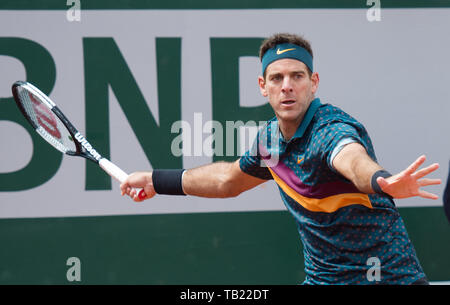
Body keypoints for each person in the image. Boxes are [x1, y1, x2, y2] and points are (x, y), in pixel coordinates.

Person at [120, 33, 441, 285]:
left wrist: (378, 179)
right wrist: (154, 180)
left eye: (297, 76)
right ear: (263, 87)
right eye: (276, 78)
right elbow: (227, 181)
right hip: (324, 281)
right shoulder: (271, 141)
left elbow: (351, 157)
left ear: (313, 83)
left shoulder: (331, 128)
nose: (287, 86)